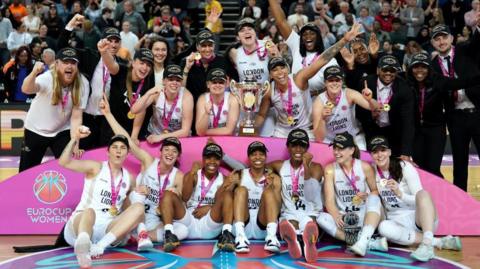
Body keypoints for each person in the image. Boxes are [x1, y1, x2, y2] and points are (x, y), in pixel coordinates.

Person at [99, 95, 189, 252]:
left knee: (183, 231)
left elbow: (180, 204)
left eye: (174, 151)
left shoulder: (178, 176)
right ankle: (136, 231)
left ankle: (139, 236)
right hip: (133, 212)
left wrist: (176, 194)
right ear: (160, 153)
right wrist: (108, 114)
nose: (169, 153)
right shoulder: (149, 161)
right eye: (166, 150)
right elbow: (126, 139)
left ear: (178, 156)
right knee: (138, 192)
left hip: (154, 220)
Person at [255, 23, 362, 139]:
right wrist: (251, 129)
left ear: (288, 68)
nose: (280, 73)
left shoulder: (299, 78)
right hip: (282, 132)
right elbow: (261, 114)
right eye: (275, 70)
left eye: (282, 68)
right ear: (270, 74)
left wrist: (344, 40)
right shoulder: (269, 90)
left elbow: (323, 59)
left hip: (306, 130)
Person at [59, 127, 144, 268]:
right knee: (89, 212)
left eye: (123, 148)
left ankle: (100, 247)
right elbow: (64, 162)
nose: (118, 150)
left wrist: (141, 193)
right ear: (108, 151)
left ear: (128, 153)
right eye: (115, 147)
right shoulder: (96, 167)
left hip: (107, 230)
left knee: (139, 208)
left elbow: (131, 208)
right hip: (82, 224)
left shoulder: (130, 178)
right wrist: (75, 138)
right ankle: (83, 248)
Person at [368, 136, 462, 262]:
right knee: (383, 228)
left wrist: (400, 194)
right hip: (397, 222)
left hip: (420, 219)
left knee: (423, 194)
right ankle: (437, 242)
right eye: (375, 152)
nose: (379, 155)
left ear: (389, 152)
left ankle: (427, 245)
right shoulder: (371, 172)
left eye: (383, 150)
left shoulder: (404, 166)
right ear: (371, 155)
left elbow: (420, 199)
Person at [406, 52, 480, 177]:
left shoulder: (438, 81)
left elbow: (461, 83)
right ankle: (424, 196)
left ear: (429, 68)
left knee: (433, 168)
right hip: (416, 131)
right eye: (416, 67)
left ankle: (441, 195)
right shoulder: (405, 82)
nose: (419, 70)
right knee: (420, 168)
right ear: (410, 68)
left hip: (435, 129)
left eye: (423, 67)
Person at [58, 14, 126, 150]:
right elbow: (62, 47)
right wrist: (71, 24)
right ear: (101, 41)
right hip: (86, 116)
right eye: (109, 40)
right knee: (83, 155)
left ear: (120, 44)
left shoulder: (122, 65)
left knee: (104, 156)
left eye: (116, 41)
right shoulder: (89, 56)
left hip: (107, 119)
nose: (113, 44)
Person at [316, 132, 388, 256]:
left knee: (374, 197)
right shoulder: (330, 169)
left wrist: (366, 194)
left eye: (341, 149)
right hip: (345, 219)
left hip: (365, 216)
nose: (336, 152)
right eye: (335, 148)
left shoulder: (365, 167)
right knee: (320, 218)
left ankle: (364, 238)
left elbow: (375, 191)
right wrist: (336, 215)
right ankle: (365, 242)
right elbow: (329, 200)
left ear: (351, 150)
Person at [19, 48, 89, 172]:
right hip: (35, 129)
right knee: (26, 172)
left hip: (61, 131)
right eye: (65, 62)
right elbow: (26, 89)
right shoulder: (47, 78)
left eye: (73, 63)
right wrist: (34, 73)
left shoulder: (82, 83)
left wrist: (75, 144)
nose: (70, 66)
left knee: (69, 168)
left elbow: (76, 116)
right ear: (57, 64)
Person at [430, 23, 480, 191]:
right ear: (432, 43)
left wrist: (478, 27)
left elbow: (477, 42)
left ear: (451, 38)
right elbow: (441, 86)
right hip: (455, 117)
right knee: (459, 162)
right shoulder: (432, 67)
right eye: (437, 39)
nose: (441, 41)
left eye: (444, 37)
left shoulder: (465, 50)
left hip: (477, 112)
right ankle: (462, 202)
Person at [160, 142, 236, 252]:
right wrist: (191, 174)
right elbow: (185, 198)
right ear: (203, 159)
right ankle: (169, 234)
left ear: (220, 161)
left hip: (210, 223)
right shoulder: (194, 174)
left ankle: (226, 235)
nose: (212, 162)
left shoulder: (224, 179)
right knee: (168, 194)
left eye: (216, 159)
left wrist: (209, 207)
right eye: (208, 158)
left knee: (228, 195)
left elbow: (222, 203)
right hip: (189, 220)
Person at [267, 129, 324, 263]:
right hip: (289, 211)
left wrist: (306, 166)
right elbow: (256, 169)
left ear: (307, 148)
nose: (298, 149)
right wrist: (271, 176)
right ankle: (299, 241)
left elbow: (310, 194)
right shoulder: (280, 165)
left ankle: (305, 242)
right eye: (294, 145)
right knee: (290, 225)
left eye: (302, 145)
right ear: (288, 147)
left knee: (309, 225)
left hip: (310, 211)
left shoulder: (316, 167)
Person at [268, 0, 338, 96]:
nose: (308, 36)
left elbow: (336, 85)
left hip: (320, 103)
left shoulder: (329, 59)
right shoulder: (297, 44)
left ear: (319, 37)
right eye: (304, 34)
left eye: (312, 33)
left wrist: (314, 93)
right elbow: (281, 22)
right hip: (296, 101)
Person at [223, 141, 282, 253]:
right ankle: (240, 238)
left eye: (261, 154)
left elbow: (278, 208)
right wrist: (230, 186)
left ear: (265, 157)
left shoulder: (274, 178)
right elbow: (226, 201)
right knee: (241, 190)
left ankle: (271, 238)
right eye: (254, 154)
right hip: (243, 223)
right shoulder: (239, 174)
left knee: (268, 193)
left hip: (263, 226)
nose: (257, 157)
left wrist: (272, 188)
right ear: (249, 157)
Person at [355, 55, 415, 160]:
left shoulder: (404, 88)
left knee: (395, 166)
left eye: (392, 70)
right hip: (372, 130)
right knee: (372, 164)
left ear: (396, 72)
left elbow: (408, 121)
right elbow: (358, 112)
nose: (388, 73)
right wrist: (371, 115)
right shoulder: (366, 83)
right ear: (378, 70)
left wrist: (406, 152)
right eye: (385, 69)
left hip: (395, 132)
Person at [312, 65, 378, 150]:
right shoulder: (319, 102)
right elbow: (319, 138)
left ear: (342, 81)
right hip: (330, 140)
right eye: (331, 80)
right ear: (325, 82)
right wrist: (322, 119)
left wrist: (369, 100)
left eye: (337, 80)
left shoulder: (349, 94)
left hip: (353, 137)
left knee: (362, 157)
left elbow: (375, 108)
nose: (334, 83)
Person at [101, 46, 155, 145]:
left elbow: (142, 109)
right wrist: (104, 52)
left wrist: (134, 136)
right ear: (133, 63)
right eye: (142, 63)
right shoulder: (122, 71)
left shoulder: (149, 80)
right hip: (112, 127)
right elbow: (111, 65)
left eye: (148, 65)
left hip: (133, 129)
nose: (144, 68)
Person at [130, 64, 194, 143]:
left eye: (178, 80)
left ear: (181, 82)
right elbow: (134, 110)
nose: (174, 83)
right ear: (164, 81)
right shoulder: (157, 93)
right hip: (154, 134)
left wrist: (161, 137)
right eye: (171, 79)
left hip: (177, 137)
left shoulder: (187, 97)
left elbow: (185, 131)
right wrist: (149, 93)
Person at [195, 68, 240, 136]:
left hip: (228, 139)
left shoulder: (232, 99)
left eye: (221, 82)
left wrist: (204, 132)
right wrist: (206, 113)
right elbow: (199, 130)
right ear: (208, 84)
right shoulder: (202, 99)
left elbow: (229, 131)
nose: (217, 85)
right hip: (206, 140)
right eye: (214, 82)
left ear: (226, 84)